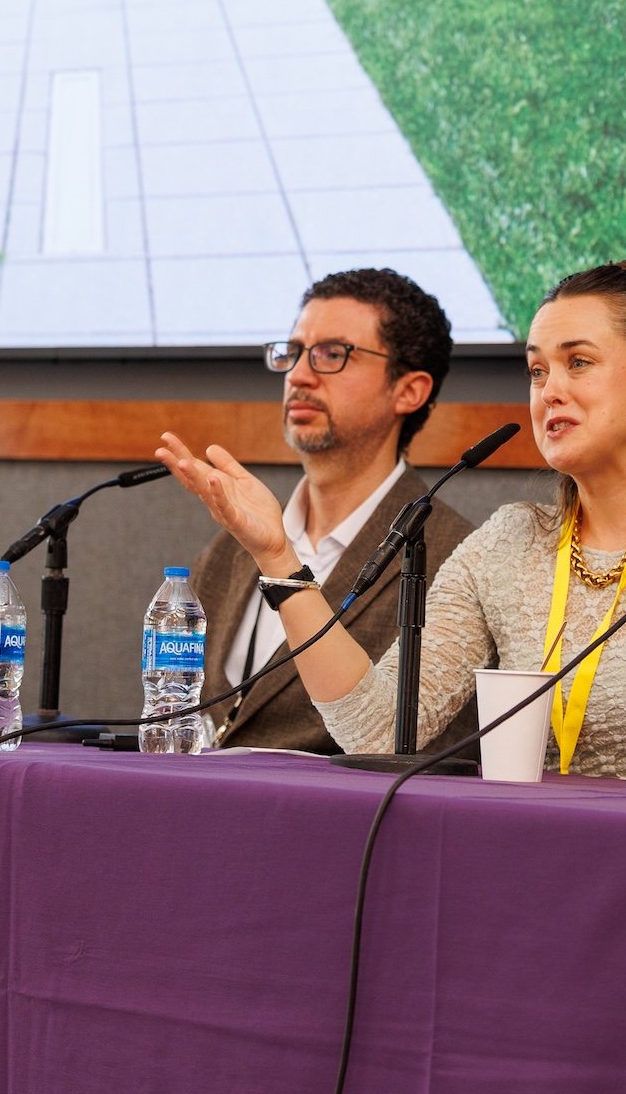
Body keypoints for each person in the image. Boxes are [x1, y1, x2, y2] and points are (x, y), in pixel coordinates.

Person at [160, 260, 626, 786]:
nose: (548, 389)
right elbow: (374, 725)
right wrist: (280, 559)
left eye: (578, 363)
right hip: (540, 878)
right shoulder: (507, 545)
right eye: (535, 371)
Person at [189, 269, 475, 753]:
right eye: (295, 352)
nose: (299, 375)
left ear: (409, 390)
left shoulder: (452, 558)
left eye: (332, 354)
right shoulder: (228, 552)